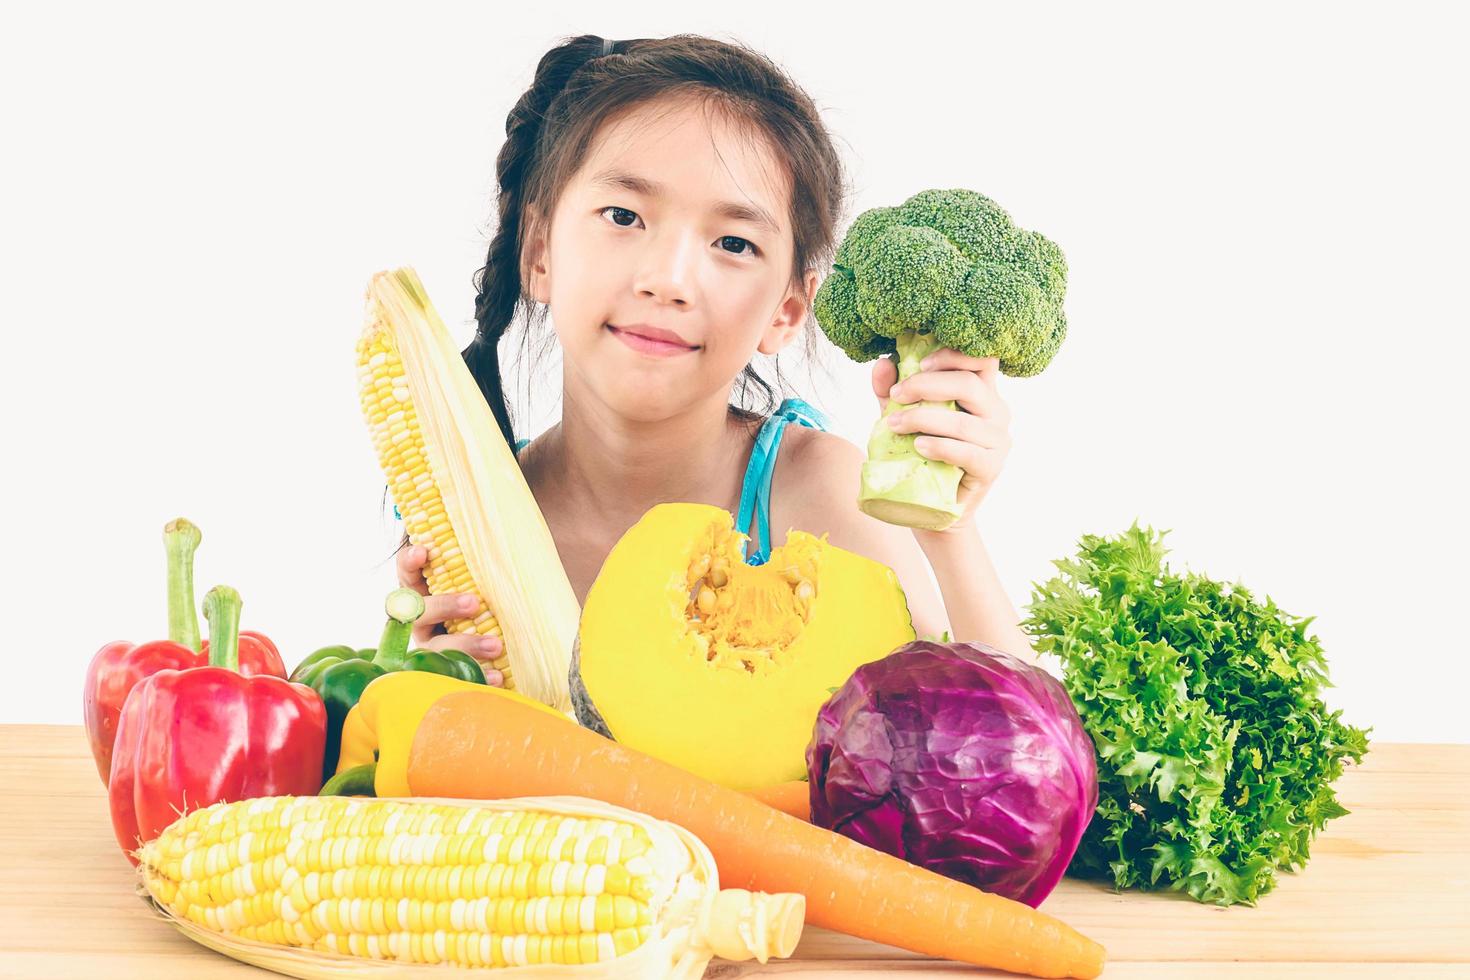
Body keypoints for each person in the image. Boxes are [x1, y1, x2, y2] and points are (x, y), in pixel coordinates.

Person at [396, 33, 1035, 685]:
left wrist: (950, 533)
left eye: (733, 242)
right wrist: (418, 684)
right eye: (623, 215)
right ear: (538, 253)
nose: (669, 279)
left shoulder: (814, 497)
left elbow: (1004, 753)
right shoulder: (477, 522)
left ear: (786, 311)